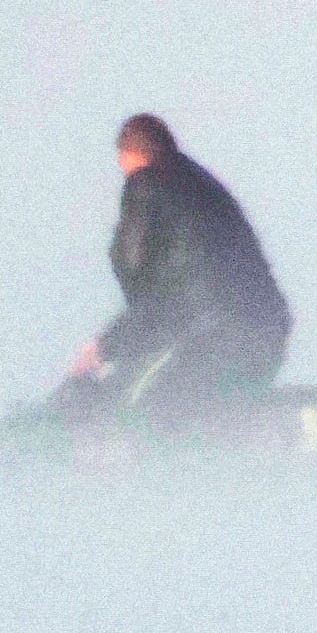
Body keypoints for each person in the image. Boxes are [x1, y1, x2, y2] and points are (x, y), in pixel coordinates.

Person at [61, 112, 292, 426]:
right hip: (267, 331)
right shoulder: (202, 184)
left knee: (135, 417)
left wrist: (105, 348)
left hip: (214, 338)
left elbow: (144, 282)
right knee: (219, 423)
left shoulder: (145, 184)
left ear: (129, 155)